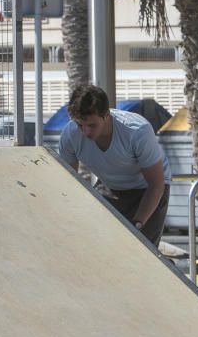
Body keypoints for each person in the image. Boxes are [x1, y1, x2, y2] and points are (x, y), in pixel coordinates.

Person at [58, 84, 171, 247]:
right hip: (110, 186)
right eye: (79, 125)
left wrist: (138, 224)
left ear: (106, 115)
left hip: (148, 188)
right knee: (98, 246)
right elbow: (67, 184)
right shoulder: (70, 135)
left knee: (141, 249)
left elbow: (156, 185)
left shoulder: (137, 131)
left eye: (92, 125)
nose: (85, 132)